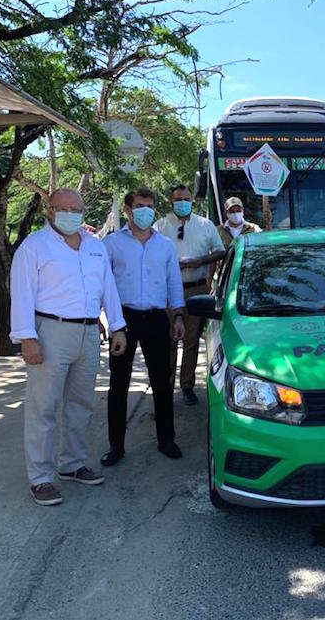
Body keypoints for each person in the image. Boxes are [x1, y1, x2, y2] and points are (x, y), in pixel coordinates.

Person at [10, 188, 127, 507]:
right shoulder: (34, 246)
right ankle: (41, 478)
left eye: (76, 208)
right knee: (43, 406)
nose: (70, 213)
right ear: (49, 210)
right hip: (50, 331)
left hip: (89, 333)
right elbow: (21, 293)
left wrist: (117, 326)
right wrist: (26, 337)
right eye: (62, 208)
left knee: (81, 404)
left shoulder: (94, 246)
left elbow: (108, 288)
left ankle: (72, 464)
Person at [101, 187, 186, 466]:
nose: (145, 211)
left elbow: (174, 282)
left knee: (162, 383)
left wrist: (178, 317)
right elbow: (104, 285)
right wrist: (112, 323)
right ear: (127, 209)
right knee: (119, 385)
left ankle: (166, 439)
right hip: (123, 320)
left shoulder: (165, 245)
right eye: (140, 205)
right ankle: (116, 446)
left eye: (150, 205)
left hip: (157, 318)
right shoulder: (112, 244)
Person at [154, 184, 225, 405]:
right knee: (168, 342)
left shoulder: (205, 225)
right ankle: (165, 387)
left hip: (196, 290)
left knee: (191, 340)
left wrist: (201, 261)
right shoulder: (160, 226)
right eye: (178, 200)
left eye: (186, 199)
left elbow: (220, 250)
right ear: (171, 202)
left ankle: (187, 386)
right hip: (167, 291)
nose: (182, 203)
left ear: (192, 200)